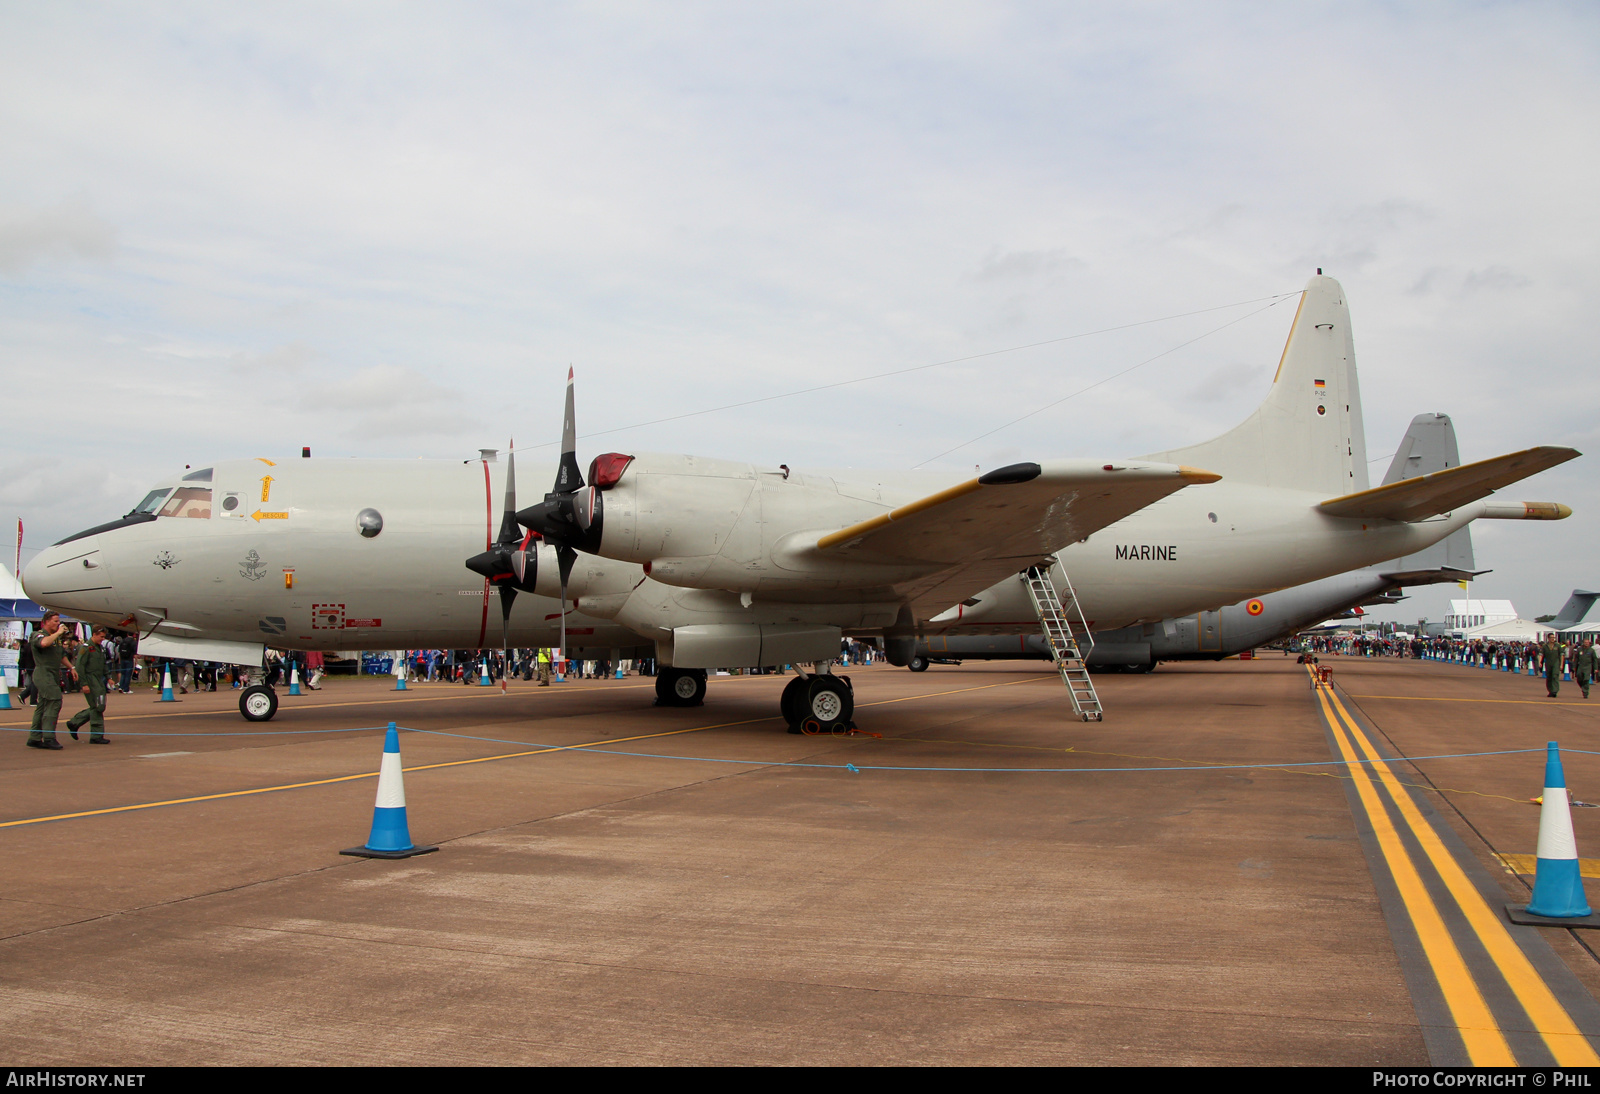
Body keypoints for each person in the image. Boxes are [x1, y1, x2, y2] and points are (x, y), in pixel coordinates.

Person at [26, 612, 72, 750]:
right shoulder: (38, 634)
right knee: (54, 701)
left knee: (43, 704)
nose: (58, 624)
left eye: (59, 621)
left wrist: (72, 667)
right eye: (55, 621)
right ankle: (49, 737)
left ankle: (34, 737)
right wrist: (58, 633)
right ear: (46, 621)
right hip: (43, 673)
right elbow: (44, 643)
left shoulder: (56, 639)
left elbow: (61, 655)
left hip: (52, 674)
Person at [67, 625, 111, 743]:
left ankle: (75, 722)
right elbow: (80, 667)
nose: (103, 639)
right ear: (94, 634)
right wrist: (84, 684)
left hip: (98, 679)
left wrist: (108, 677)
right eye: (101, 637)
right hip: (90, 680)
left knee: (98, 706)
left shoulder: (100, 648)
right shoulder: (85, 648)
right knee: (97, 706)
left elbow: (104, 664)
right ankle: (96, 736)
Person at [1541, 633, 1567, 698]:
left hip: (1556, 663)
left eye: (1553, 637)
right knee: (1549, 677)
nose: (1553, 639)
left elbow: (1561, 655)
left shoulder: (1558, 646)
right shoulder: (1545, 646)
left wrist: (1561, 665)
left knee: (1555, 676)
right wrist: (1540, 662)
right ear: (1548, 638)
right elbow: (1541, 655)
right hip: (1548, 663)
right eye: (1551, 637)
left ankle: (1555, 691)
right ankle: (1550, 691)